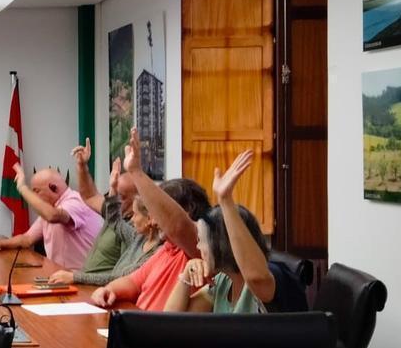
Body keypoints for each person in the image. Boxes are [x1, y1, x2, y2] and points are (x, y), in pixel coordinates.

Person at [90, 128, 213, 311]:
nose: (153, 220)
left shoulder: (198, 247)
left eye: (158, 211)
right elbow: (133, 282)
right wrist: (108, 290)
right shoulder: (167, 249)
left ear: (186, 211)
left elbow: (177, 226)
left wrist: (136, 172)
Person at [165, 150, 275, 313]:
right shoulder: (222, 282)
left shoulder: (259, 283)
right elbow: (172, 322)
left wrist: (225, 200)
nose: (199, 247)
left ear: (221, 243)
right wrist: (187, 275)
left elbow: (256, 277)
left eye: (202, 240)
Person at [0, 163, 104, 270]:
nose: (35, 198)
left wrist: (23, 188)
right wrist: (1, 243)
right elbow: (27, 239)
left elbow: (52, 216)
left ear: (53, 188)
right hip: (60, 276)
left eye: (36, 191)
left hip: (84, 280)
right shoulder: (53, 207)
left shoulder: (74, 201)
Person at [70, 138, 140, 274]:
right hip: (86, 284)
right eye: (113, 192)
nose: (115, 199)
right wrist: (82, 166)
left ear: (137, 199)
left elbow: (123, 276)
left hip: (102, 289)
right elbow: (89, 196)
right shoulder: (116, 210)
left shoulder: (135, 228)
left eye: (122, 196)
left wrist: (76, 278)